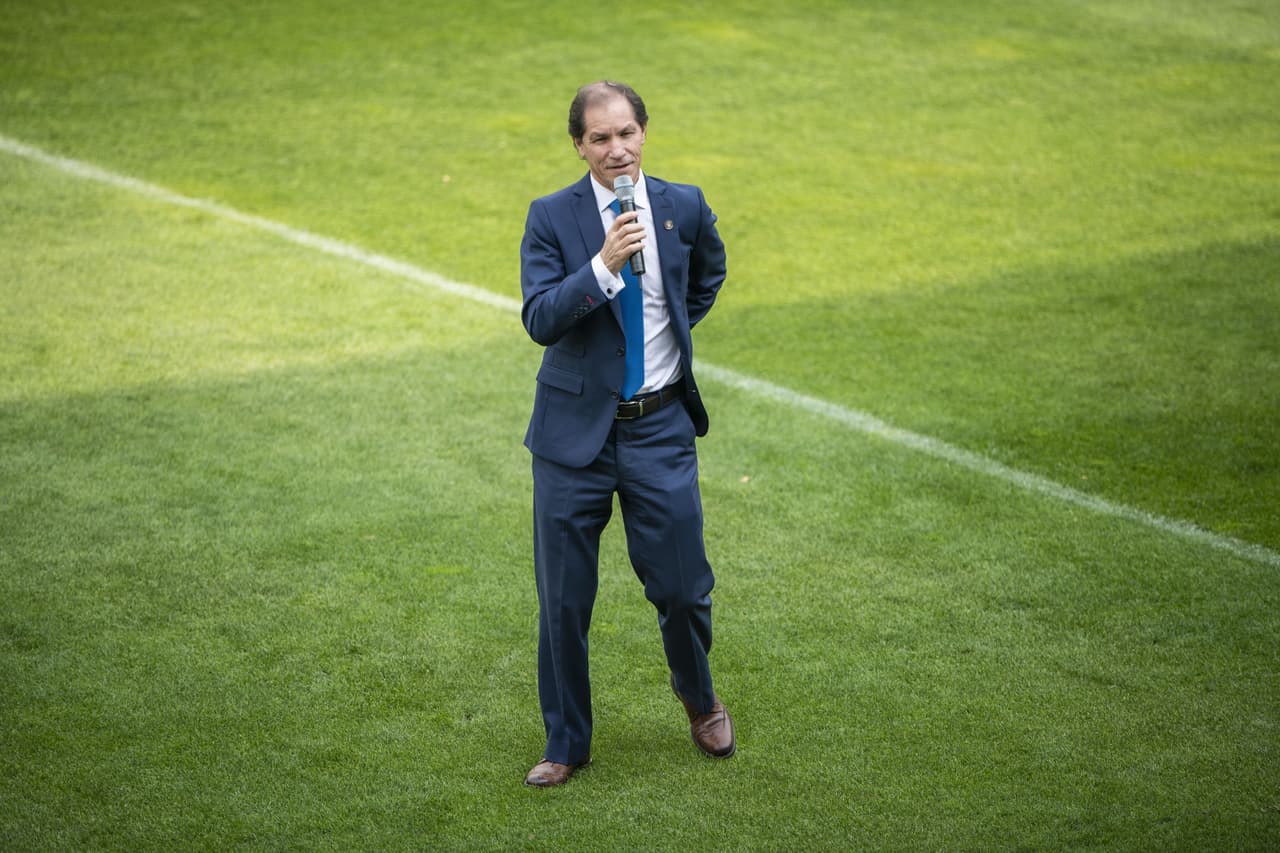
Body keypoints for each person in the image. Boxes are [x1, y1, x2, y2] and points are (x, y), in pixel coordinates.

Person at [518, 81, 734, 787]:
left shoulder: (684, 206)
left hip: (659, 427)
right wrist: (604, 266)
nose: (618, 149)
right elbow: (541, 318)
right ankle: (566, 741)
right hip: (572, 439)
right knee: (565, 600)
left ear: (645, 132)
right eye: (601, 139)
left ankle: (698, 697)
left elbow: (706, 278)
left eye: (628, 133)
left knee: (682, 585)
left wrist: (668, 336)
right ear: (579, 145)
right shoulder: (551, 217)